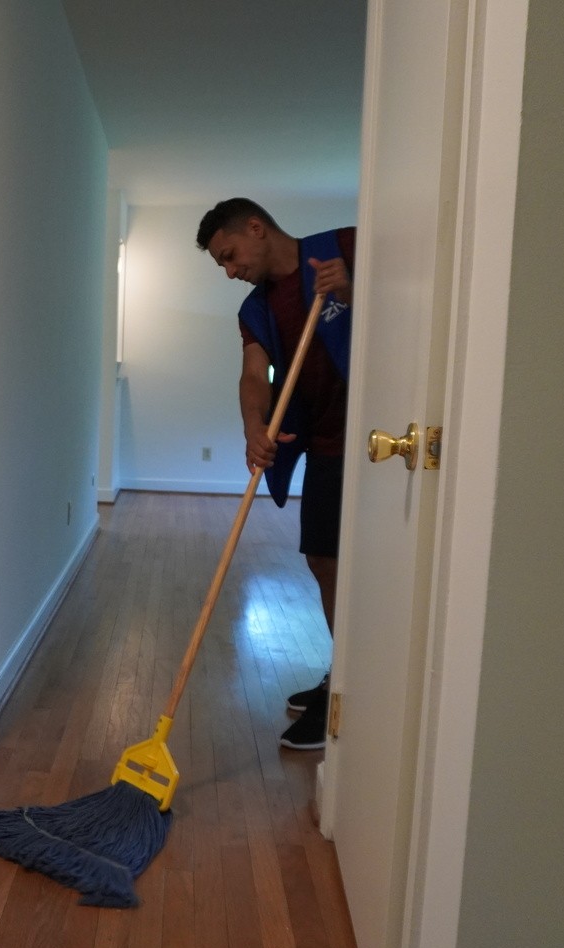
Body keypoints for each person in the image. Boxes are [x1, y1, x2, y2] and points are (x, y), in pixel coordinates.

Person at [196, 198, 354, 751]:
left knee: (345, 563)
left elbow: (419, 308)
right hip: (327, 443)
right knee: (324, 560)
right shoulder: (256, 310)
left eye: (230, 255)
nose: (230, 270)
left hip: (374, 436)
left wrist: (357, 288)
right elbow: (252, 375)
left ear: (257, 228)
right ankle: (346, 676)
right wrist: (253, 427)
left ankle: (351, 691)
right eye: (222, 264)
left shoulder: (345, 249)